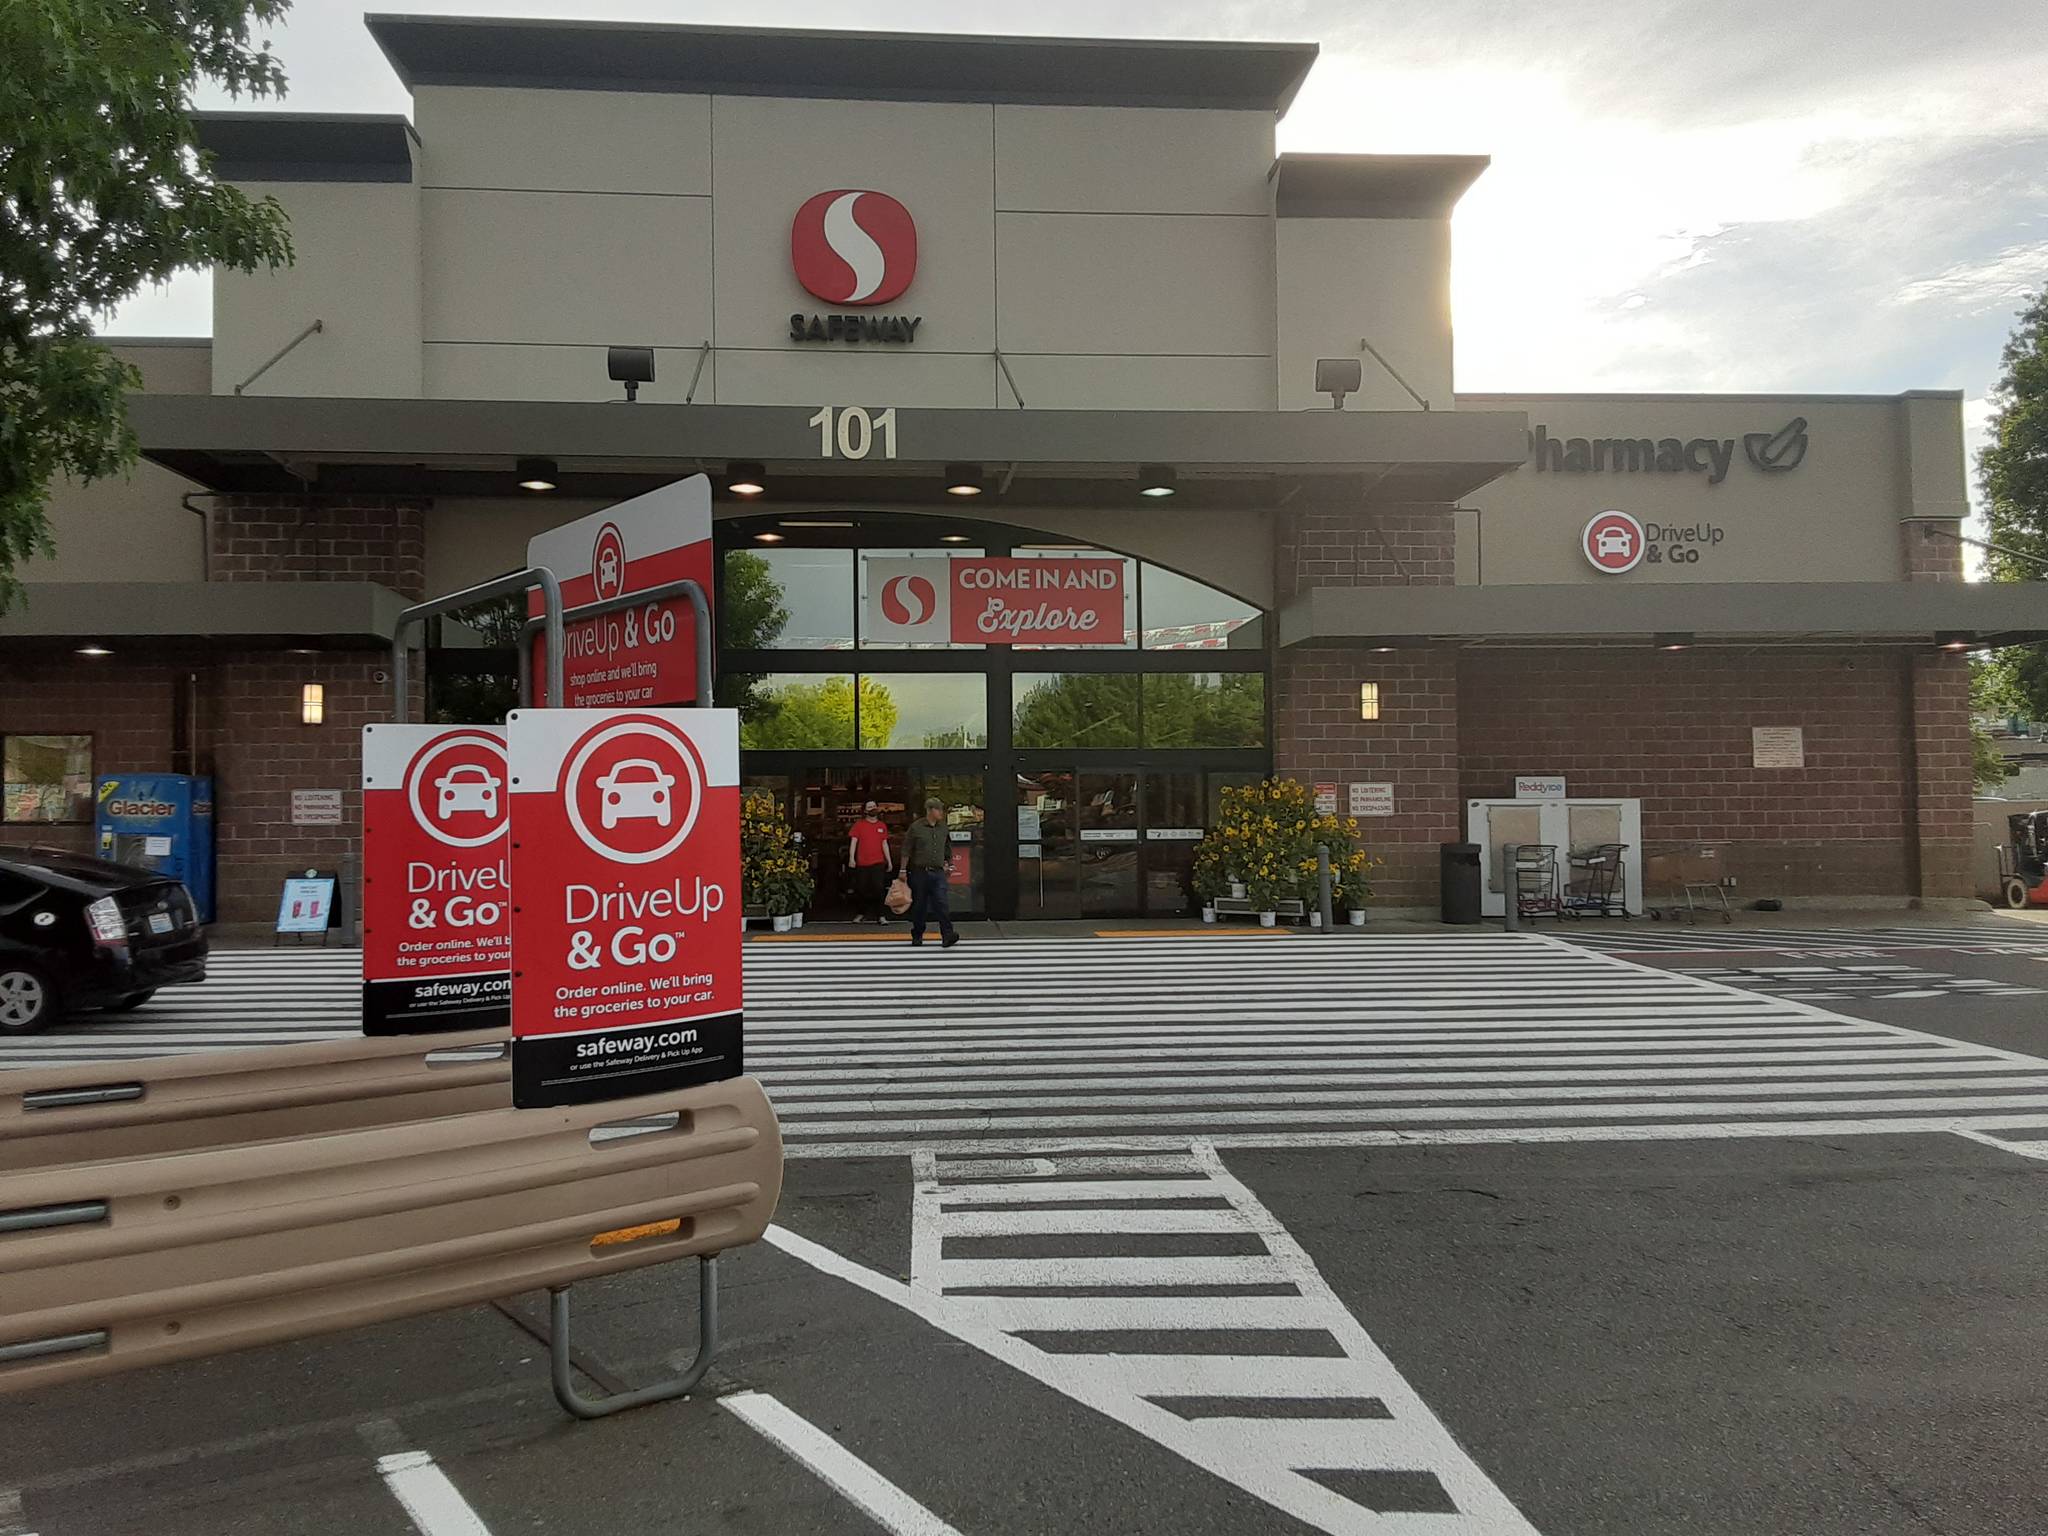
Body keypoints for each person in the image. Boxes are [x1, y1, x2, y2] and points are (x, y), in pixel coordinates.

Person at [901, 796, 960, 948]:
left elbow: (947, 847)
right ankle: (917, 934)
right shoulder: (916, 827)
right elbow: (906, 849)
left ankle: (947, 934)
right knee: (919, 905)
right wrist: (902, 870)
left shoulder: (943, 828)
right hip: (920, 872)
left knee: (942, 903)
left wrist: (949, 863)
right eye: (938, 809)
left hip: (938, 872)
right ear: (930, 810)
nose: (941, 812)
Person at [846, 800, 892, 923]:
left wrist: (889, 861)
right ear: (865, 810)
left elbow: (884, 844)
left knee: (879, 889)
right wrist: (851, 858)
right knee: (861, 889)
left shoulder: (882, 825)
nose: (873, 808)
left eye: (874, 806)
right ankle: (861, 913)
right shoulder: (859, 825)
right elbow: (854, 842)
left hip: (878, 862)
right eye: (870, 807)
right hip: (862, 863)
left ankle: (881, 915)